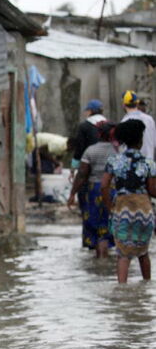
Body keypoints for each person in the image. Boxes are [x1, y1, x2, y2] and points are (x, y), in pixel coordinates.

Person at [101, 119, 156, 283]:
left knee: (123, 254)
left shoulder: (114, 161)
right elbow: (153, 190)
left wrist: (109, 205)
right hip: (143, 210)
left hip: (122, 209)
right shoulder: (149, 163)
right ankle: (146, 287)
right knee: (143, 252)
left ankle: (122, 293)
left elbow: (104, 186)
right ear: (140, 140)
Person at [67, 121, 117, 257]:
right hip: (112, 190)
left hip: (94, 190)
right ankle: (105, 260)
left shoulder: (90, 150)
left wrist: (72, 194)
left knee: (94, 224)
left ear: (99, 134)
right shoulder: (117, 151)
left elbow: (82, 174)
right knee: (108, 225)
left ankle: (99, 260)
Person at [69, 99, 107, 172]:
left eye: (87, 111)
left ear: (90, 111)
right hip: (106, 163)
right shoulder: (108, 125)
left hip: (89, 164)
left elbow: (80, 148)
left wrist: (73, 167)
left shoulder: (84, 126)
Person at [120, 90, 156, 160]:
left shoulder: (124, 122)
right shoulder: (149, 119)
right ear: (137, 104)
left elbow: (122, 147)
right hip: (149, 163)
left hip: (132, 164)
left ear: (124, 104)